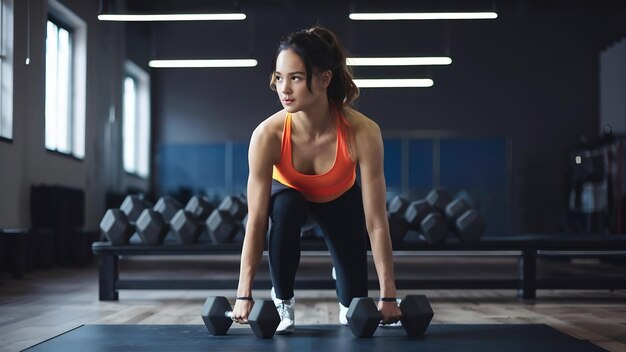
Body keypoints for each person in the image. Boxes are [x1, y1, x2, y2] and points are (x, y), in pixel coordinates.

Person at [231, 25, 402, 334]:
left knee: (352, 310)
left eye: (296, 78)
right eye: (280, 77)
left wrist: (388, 295)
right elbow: (256, 222)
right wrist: (244, 294)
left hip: (340, 204)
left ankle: (344, 277)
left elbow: (376, 221)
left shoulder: (362, 132)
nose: (285, 89)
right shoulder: (267, 135)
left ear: (325, 79)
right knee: (285, 205)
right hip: (292, 205)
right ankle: (283, 299)